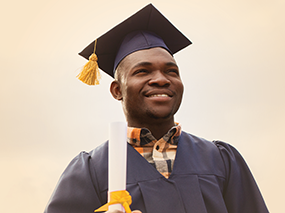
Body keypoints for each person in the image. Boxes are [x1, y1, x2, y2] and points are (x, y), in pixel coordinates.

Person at [44, 4, 269, 213]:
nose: (161, 79)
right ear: (116, 90)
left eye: (171, 71)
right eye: (143, 71)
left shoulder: (221, 160)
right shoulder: (90, 171)